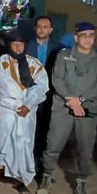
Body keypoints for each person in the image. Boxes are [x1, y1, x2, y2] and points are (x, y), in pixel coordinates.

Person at [36, 22, 97, 194]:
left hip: (88, 109)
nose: (87, 39)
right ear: (76, 37)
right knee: (53, 144)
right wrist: (72, 100)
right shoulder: (63, 55)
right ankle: (46, 177)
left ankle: (82, 183)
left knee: (85, 149)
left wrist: (80, 100)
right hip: (63, 107)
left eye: (91, 35)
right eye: (84, 35)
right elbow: (57, 79)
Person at [0, 28, 49, 194]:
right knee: (1, 143)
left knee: (23, 145)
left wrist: (28, 105)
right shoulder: (0, 62)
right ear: (9, 45)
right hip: (6, 110)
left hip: (26, 112)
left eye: (21, 45)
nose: (17, 48)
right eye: (14, 44)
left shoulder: (33, 64)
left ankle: (19, 181)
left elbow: (41, 87)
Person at [25, 16, 64, 173]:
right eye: (39, 26)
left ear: (51, 29)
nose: (42, 29)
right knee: (29, 130)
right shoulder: (26, 45)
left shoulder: (59, 48)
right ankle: (28, 165)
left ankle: (42, 167)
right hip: (30, 93)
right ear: (35, 28)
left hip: (50, 95)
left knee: (45, 130)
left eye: (45, 26)